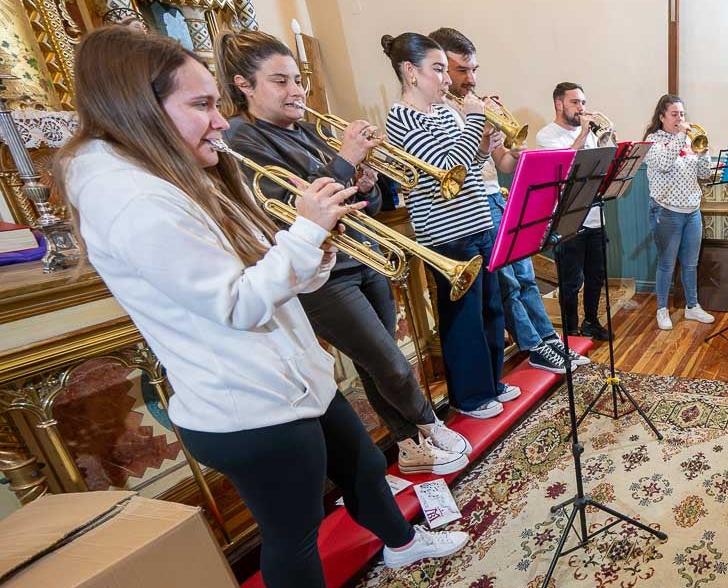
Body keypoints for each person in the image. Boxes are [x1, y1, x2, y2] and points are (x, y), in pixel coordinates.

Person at [53, 26, 468, 588]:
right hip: (246, 403)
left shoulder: (175, 174)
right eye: (201, 106)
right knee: (293, 531)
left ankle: (404, 544)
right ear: (139, 108)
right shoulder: (134, 202)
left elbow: (260, 262)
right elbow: (236, 304)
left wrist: (317, 244)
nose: (219, 122)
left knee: (359, 464)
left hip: (290, 375)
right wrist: (306, 233)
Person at [220, 30, 471, 475]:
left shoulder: (308, 130)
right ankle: (429, 425)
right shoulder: (243, 138)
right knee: (388, 361)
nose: (297, 91)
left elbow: (361, 205)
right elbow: (292, 208)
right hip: (321, 274)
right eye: (280, 81)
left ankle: (408, 444)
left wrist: (367, 184)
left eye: (297, 79)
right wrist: (345, 158)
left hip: (363, 256)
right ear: (244, 85)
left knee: (375, 360)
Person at [427, 28, 587, 373]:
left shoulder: (474, 107)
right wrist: (477, 131)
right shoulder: (438, 110)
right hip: (471, 207)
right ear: (439, 68)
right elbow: (453, 166)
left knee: (526, 275)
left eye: (474, 70)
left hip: (496, 198)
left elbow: (502, 165)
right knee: (508, 283)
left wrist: (515, 150)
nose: (471, 79)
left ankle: (549, 340)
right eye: (461, 71)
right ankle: (533, 346)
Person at [382, 32, 519, 419]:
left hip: (477, 219)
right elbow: (445, 168)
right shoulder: (401, 119)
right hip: (446, 234)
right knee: (463, 321)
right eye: (438, 69)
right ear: (410, 72)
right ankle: (470, 397)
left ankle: (492, 381)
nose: (447, 79)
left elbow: (467, 167)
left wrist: (482, 143)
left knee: (491, 308)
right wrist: (475, 119)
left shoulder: (443, 112)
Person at [534, 81, 612, 341]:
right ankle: (570, 331)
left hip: (595, 215)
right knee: (570, 282)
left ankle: (591, 321)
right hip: (568, 220)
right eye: (575, 102)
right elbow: (565, 165)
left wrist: (606, 140)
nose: (582, 108)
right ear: (559, 104)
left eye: (583, 103)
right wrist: (583, 135)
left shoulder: (589, 134)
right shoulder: (547, 135)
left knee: (596, 276)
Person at [643, 94, 716, 331]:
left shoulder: (689, 141)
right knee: (666, 263)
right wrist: (682, 136)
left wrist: (705, 153)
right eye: (674, 114)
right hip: (666, 211)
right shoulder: (653, 141)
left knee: (690, 263)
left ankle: (692, 306)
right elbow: (664, 164)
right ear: (662, 117)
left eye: (682, 114)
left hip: (692, 210)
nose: (680, 118)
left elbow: (705, 175)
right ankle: (662, 309)